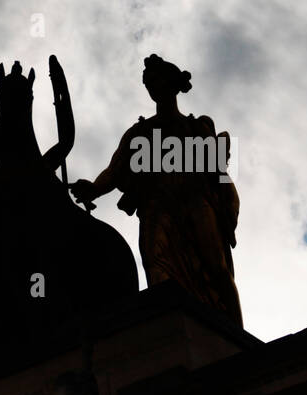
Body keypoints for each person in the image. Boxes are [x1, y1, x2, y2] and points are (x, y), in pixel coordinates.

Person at [70, 55, 242, 326]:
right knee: (156, 270)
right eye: (149, 83)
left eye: (158, 80)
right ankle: (171, 330)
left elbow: (220, 174)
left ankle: (236, 332)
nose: (153, 87)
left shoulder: (197, 127)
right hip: (157, 208)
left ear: (174, 84)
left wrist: (229, 207)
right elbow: (114, 171)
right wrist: (93, 188)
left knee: (216, 268)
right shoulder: (139, 133)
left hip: (196, 202)